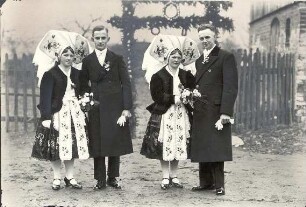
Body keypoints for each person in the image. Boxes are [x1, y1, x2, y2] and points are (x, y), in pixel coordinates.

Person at [79, 25, 133, 190]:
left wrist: (126, 108)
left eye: (103, 38)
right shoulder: (87, 61)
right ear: (93, 39)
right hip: (97, 108)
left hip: (115, 108)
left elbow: (126, 84)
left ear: (108, 39)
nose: (100, 41)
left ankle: (113, 177)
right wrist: (87, 99)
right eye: (97, 38)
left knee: (114, 143)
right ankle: (100, 179)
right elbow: (82, 85)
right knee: (98, 144)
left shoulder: (116, 59)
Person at [32, 44, 90, 190]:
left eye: (71, 56)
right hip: (57, 113)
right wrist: (45, 117)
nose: (69, 58)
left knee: (71, 145)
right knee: (56, 146)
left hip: (74, 113)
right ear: (59, 57)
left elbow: (84, 90)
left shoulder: (78, 73)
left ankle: (70, 176)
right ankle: (56, 177)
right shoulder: (51, 74)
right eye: (65, 55)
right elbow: (45, 98)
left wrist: (85, 100)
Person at [190, 24, 238, 195]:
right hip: (201, 109)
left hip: (217, 110)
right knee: (203, 144)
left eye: (207, 37)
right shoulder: (198, 60)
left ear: (215, 37)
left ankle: (219, 184)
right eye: (201, 38)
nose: (204, 41)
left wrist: (226, 111)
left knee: (217, 146)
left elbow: (230, 87)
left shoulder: (225, 57)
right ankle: (205, 183)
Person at [141, 46, 196, 190]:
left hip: (181, 113)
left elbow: (193, 89)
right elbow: (156, 96)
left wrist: (188, 95)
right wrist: (175, 98)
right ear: (167, 58)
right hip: (165, 113)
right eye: (173, 57)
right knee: (165, 142)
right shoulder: (158, 75)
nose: (176, 60)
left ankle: (174, 175)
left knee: (178, 141)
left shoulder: (186, 75)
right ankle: (165, 176)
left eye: (179, 58)